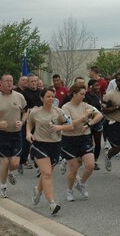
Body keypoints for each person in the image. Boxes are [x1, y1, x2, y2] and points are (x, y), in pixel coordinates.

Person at [26, 87, 73, 215]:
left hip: (55, 145)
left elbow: (70, 125)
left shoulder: (59, 112)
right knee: (47, 174)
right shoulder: (35, 112)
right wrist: (28, 133)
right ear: (42, 98)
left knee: (45, 173)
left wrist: (59, 126)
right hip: (40, 145)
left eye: (53, 96)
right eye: (48, 96)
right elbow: (29, 123)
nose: (51, 99)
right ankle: (52, 203)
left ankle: (37, 190)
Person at [0, 74, 27, 198]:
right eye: (7, 81)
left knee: (14, 163)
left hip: (16, 133)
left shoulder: (19, 96)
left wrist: (22, 121)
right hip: (1, 133)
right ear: (1, 83)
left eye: (11, 81)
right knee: (4, 161)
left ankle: (10, 172)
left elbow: (26, 112)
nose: (9, 83)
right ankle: (3, 187)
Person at [61, 84, 103, 202]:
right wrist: (84, 116)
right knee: (74, 169)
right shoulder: (66, 107)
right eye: (81, 94)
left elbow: (99, 115)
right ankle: (69, 190)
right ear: (74, 94)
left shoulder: (86, 105)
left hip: (84, 138)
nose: (83, 97)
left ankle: (81, 183)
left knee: (90, 165)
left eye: (84, 94)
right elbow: (70, 124)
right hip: (70, 140)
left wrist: (89, 124)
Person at [19, 74, 43, 172]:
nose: (34, 83)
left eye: (35, 81)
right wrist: (29, 110)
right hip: (28, 120)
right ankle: (21, 161)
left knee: (39, 141)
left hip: (39, 120)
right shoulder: (24, 93)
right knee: (26, 142)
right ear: (28, 83)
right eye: (32, 81)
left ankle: (37, 161)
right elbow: (21, 108)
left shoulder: (41, 93)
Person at [85, 79, 104, 170]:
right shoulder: (86, 96)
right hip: (88, 122)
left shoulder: (98, 95)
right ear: (90, 87)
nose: (98, 87)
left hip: (98, 122)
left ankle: (95, 161)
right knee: (88, 142)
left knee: (98, 143)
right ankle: (87, 160)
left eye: (98, 85)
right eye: (96, 86)